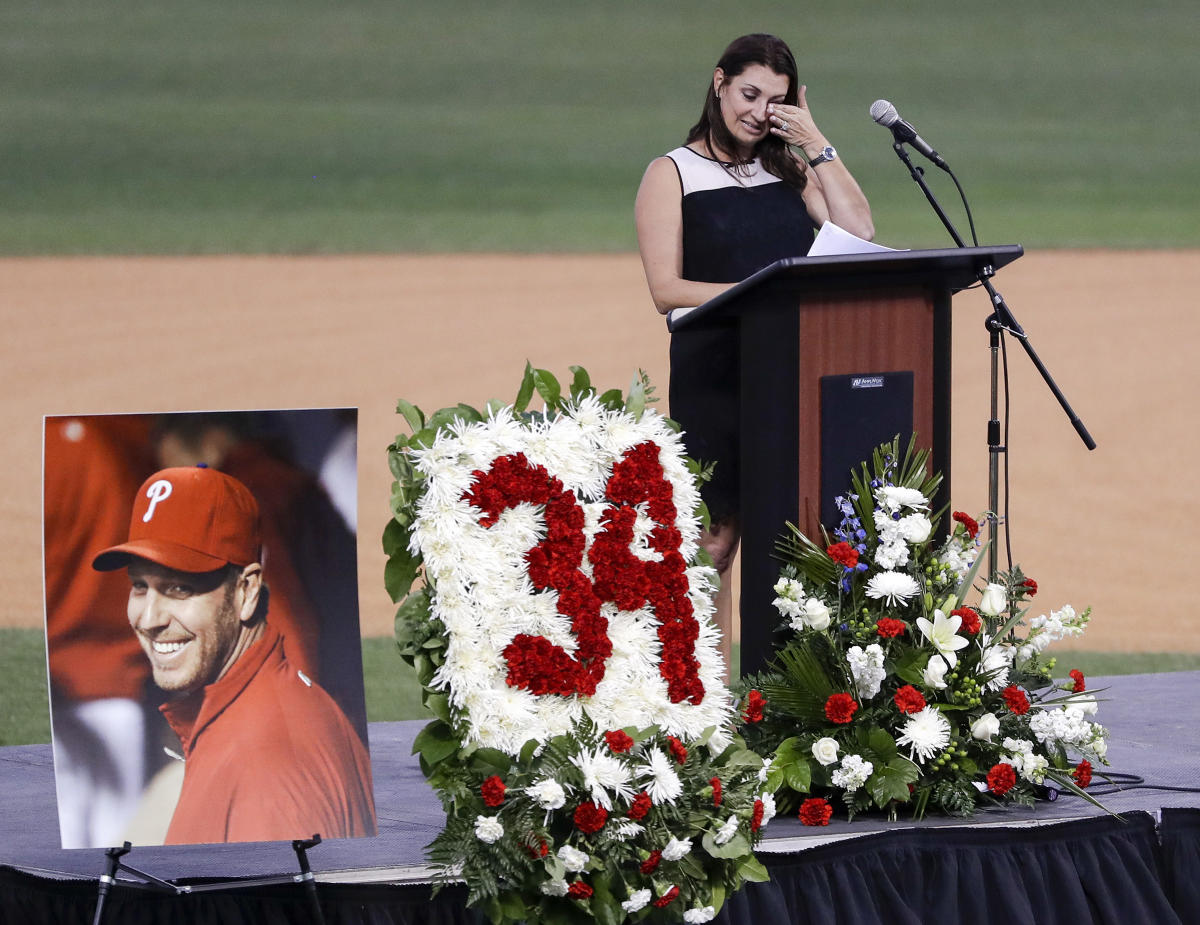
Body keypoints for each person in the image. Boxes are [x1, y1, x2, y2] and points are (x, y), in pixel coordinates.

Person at [634, 34, 873, 671]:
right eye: (748, 93)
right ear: (718, 83)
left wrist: (813, 139)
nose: (758, 111)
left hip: (791, 371)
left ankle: (784, 702)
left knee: (793, 534)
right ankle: (706, 706)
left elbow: (859, 230)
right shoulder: (673, 172)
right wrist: (763, 292)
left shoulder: (790, 171)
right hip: (715, 375)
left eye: (776, 99)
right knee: (715, 541)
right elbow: (666, 287)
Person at [92, 464, 376, 845]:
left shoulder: (267, 767)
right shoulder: (261, 708)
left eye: (179, 588)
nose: (149, 619)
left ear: (246, 591)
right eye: (140, 586)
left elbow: (274, 904)